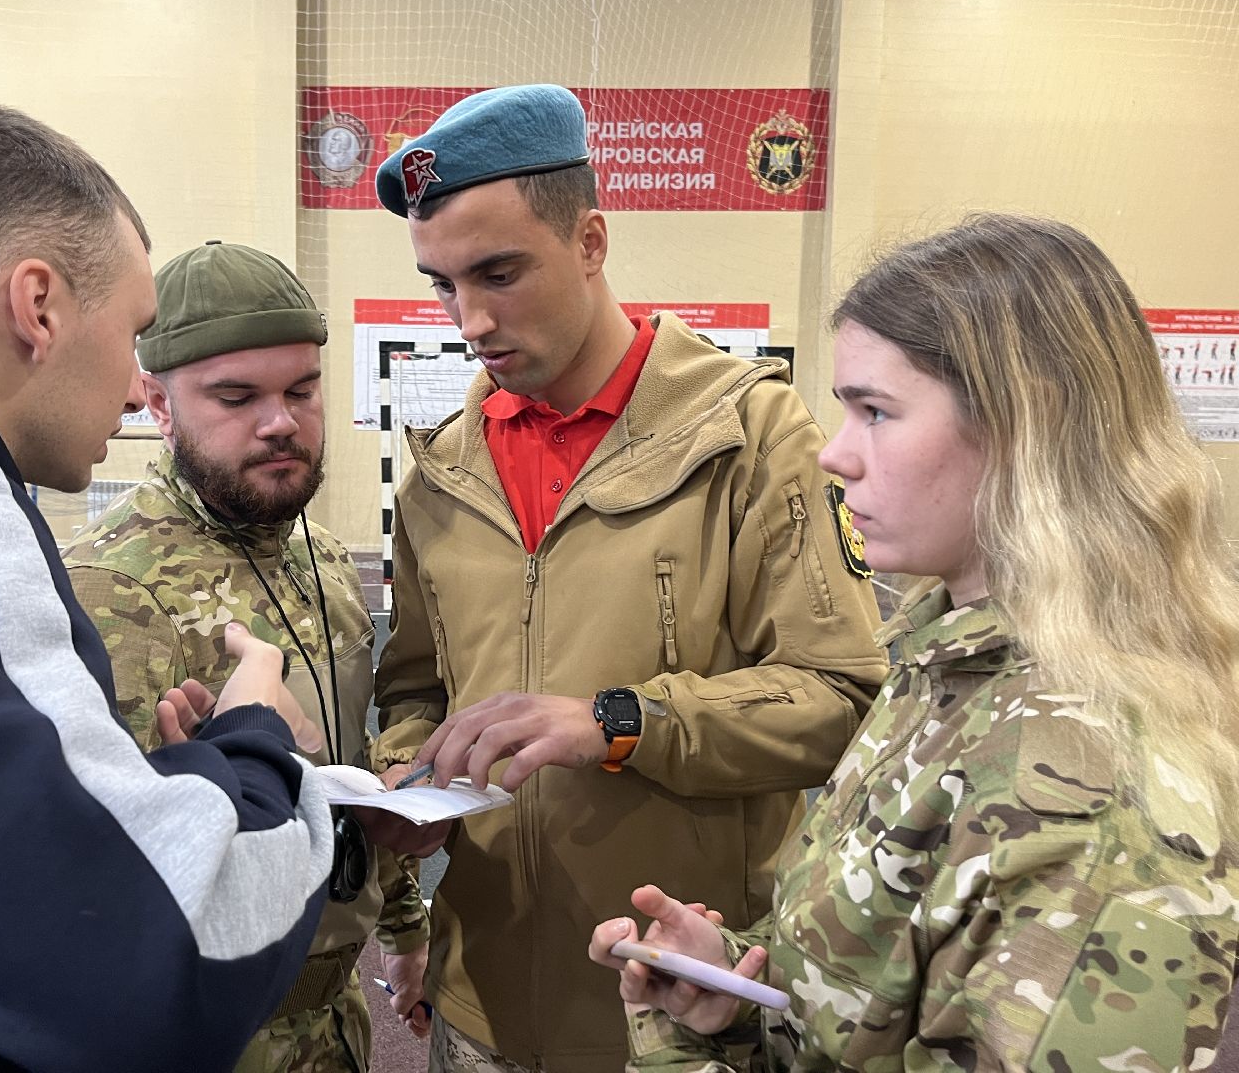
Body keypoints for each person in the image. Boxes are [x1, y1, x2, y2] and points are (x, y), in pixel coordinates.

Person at [588, 213, 1239, 1071]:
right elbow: (895, 971)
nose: (835, 454)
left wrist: (676, 1054)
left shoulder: (1086, 792)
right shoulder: (955, 663)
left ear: (1022, 425)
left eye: (876, 412)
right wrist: (744, 995)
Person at [0, 102, 338, 1072]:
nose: (138, 386)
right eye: (134, 336)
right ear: (38, 307)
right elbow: (148, 956)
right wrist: (259, 745)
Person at [369, 83, 891, 1071]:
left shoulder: (748, 434)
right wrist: (407, 776)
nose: (469, 319)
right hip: (480, 1008)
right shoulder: (441, 470)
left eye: (499, 272)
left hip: (670, 1016)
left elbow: (842, 696)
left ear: (592, 241)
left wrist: (619, 723)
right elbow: (415, 687)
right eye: (441, 285)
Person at [62, 240, 431, 1072]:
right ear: (157, 402)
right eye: (236, 397)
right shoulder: (102, 589)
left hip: (337, 1026)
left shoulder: (326, 566)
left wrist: (406, 927)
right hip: (205, 1037)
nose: (280, 421)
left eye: (302, 390)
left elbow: (351, 773)